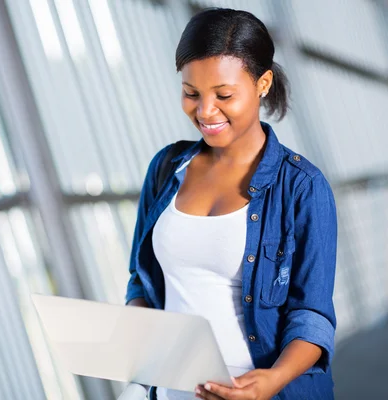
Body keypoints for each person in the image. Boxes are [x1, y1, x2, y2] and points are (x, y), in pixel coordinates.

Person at [125, 8, 337, 400]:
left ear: (262, 83)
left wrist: (271, 381)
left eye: (224, 95)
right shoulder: (165, 169)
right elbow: (141, 282)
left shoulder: (303, 188)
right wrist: (139, 370)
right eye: (191, 93)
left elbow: (312, 316)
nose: (205, 111)